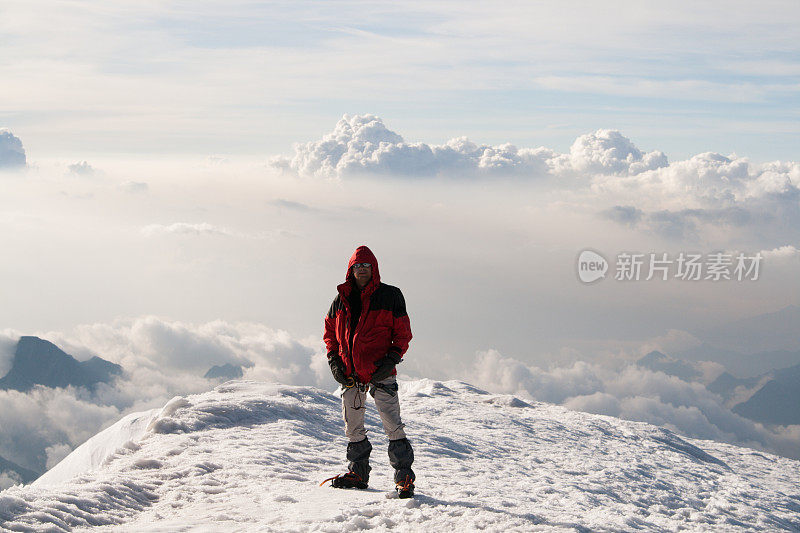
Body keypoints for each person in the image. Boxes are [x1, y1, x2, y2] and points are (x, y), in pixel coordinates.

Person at [322, 245, 415, 497]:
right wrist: (334, 360)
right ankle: (358, 474)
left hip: (381, 373)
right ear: (350, 270)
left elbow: (403, 333)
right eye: (357, 266)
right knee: (353, 428)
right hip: (351, 376)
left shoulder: (391, 295)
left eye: (366, 266)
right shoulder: (341, 299)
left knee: (393, 426)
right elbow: (330, 332)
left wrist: (392, 359)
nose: (361, 270)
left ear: (374, 269)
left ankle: (404, 479)